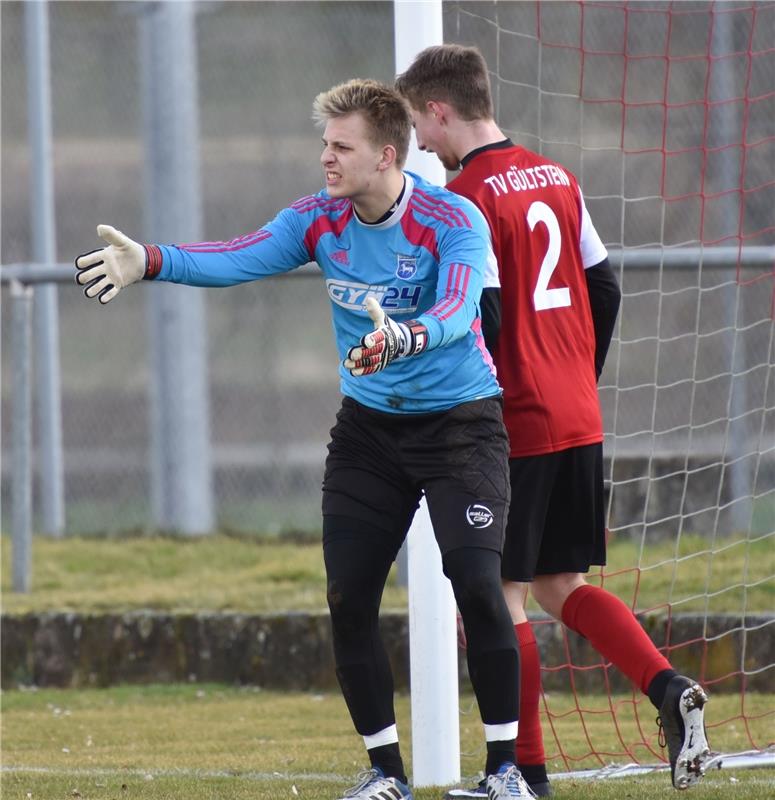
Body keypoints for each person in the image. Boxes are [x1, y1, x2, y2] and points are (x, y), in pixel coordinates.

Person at [74, 79, 537, 800]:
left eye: (340, 146)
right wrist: (151, 261)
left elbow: (454, 310)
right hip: (368, 433)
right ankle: (385, 775)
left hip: (460, 427)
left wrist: (404, 336)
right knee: (348, 597)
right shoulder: (318, 219)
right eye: (324, 144)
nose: (325, 157)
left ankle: (504, 772)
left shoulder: (454, 219)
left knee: (476, 583)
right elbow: (238, 255)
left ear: (387, 155)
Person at [396, 46, 713, 796]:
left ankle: (522, 772)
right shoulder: (557, 177)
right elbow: (602, 285)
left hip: (513, 419)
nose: (419, 144)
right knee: (556, 583)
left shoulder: (466, 194)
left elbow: (489, 309)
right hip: (575, 409)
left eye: (417, 125)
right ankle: (668, 690)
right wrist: (574, 368)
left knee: (496, 594)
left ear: (439, 109)